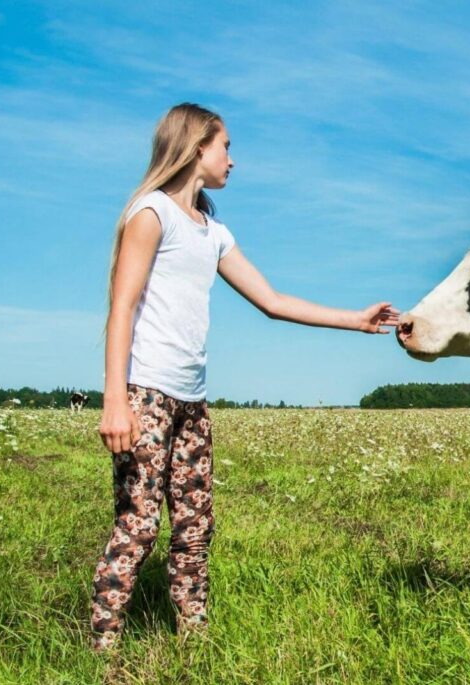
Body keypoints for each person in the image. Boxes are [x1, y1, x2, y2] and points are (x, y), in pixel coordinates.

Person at [90, 103, 398, 651]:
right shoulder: (151, 213)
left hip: (192, 400)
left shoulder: (213, 232)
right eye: (226, 146)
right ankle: (104, 648)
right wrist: (116, 400)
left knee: (195, 527)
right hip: (146, 395)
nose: (232, 159)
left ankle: (194, 638)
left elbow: (272, 301)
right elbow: (122, 307)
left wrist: (355, 320)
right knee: (139, 525)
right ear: (196, 148)